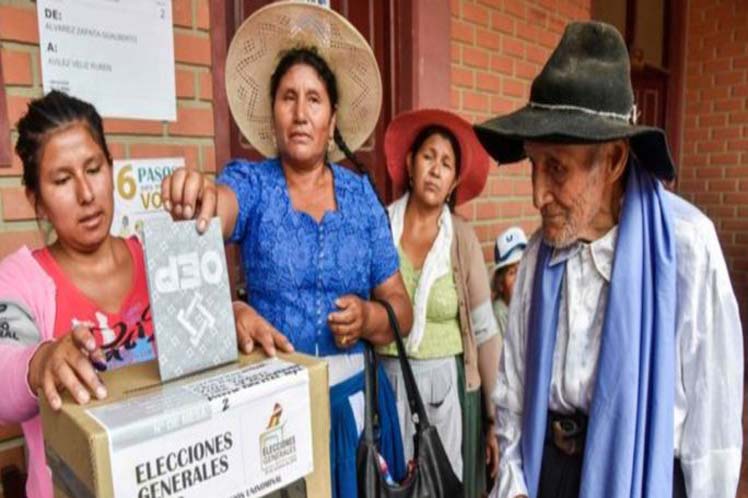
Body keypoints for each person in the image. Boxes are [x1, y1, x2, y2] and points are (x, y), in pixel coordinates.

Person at [474, 22, 743, 498]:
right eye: (534, 165)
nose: (538, 195)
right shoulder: (539, 256)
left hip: (646, 477)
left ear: (615, 160)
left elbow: (712, 430)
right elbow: (514, 399)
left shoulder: (686, 249)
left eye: (556, 167)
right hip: (550, 476)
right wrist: (514, 485)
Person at [159, 4, 412, 497]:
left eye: (314, 99)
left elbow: (402, 308)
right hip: (275, 413)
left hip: (357, 411)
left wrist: (368, 318)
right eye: (288, 98)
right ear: (272, 111)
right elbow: (221, 207)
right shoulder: (252, 183)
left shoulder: (362, 197)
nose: (301, 113)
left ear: (332, 116)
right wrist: (200, 195)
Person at [0, 90, 156, 498]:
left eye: (94, 168)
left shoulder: (155, 260)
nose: (86, 195)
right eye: (63, 180)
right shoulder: (20, 279)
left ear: (111, 168)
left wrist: (232, 314)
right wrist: (41, 362)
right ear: (37, 199)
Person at [378, 108, 501, 498]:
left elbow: (484, 331)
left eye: (446, 164)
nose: (435, 169)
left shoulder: (461, 239)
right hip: (385, 380)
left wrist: (492, 418)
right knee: (387, 485)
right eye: (429, 156)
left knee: (440, 487)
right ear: (410, 165)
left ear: (452, 184)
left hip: (444, 390)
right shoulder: (380, 226)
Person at [491, 226, 527, 339]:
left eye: (523, 268)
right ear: (501, 283)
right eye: (512, 272)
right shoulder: (499, 313)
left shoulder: (529, 306)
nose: (520, 277)